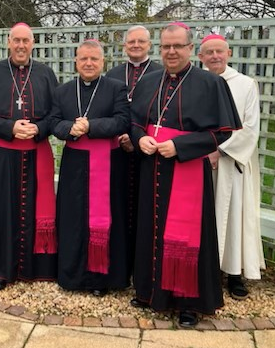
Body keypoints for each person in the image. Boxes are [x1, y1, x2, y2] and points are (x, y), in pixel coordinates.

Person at [129, 22, 241, 327]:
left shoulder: (210, 84)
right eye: (166, 46)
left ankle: (188, 302)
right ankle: (149, 291)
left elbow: (223, 131)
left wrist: (179, 145)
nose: (171, 52)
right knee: (151, 228)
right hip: (152, 166)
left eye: (178, 46)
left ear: (190, 49)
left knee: (185, 237)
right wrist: (140, 138)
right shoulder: (149, 81)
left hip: (186, 167)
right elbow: (135, 121)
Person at [0, 22, 59, 290]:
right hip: (3, 152)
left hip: (36, 150)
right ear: (8, 42)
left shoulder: (45, 73)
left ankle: (37, 266)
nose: (21, 45)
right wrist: (10, 127)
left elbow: (56, 114)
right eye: (16, 40)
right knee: (1, 210)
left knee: (37, 207)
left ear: (33, 44)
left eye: (26, 41)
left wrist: (38, 128)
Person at [50, 40, 130, 296]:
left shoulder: (116, 88)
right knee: (73, 219)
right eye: (83, 58)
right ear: (76, 61)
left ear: (102, 62)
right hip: (74, 165)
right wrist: (68, 129)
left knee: (106, 219)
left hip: (107, 164)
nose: (88, 63)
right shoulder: (63, 91)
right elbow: (53, 122)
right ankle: (72, 276)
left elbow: (123, 121)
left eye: (94, 59)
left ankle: (101, 279)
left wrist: (90, 127)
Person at [198, 34, 265, 300]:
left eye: (219, 51)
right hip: (197, 159)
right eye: (209, 52)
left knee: (232, 216)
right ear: (200, 56)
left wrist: (220, 150)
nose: (215, 56)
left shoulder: (246, 85)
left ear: (228, 53)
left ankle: (234, 274)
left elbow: (250, 127)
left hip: (230, 162)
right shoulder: (194, 82)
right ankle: (204, 269)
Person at [105, 25, 163, 281]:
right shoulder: (113, 74)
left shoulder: (161, 73)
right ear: (124, 45)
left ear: (149, 45)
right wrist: (120, 135)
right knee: (117, 204)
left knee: (145, 207)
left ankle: (143, 266)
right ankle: (119, 261)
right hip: (117, 148)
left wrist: (138, 139)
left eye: (141, 41)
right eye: (131, 42)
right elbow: (105, 109)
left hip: (148, 150)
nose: (136, 45)